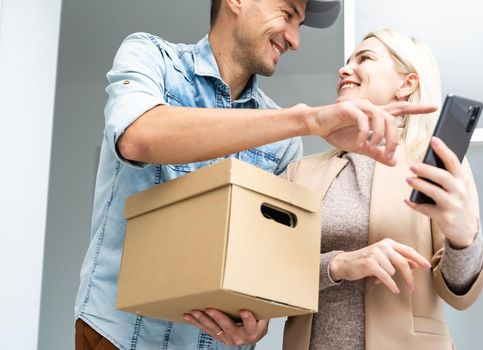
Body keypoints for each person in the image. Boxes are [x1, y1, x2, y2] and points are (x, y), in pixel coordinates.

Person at [74, 0, 437, 348]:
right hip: (120, 338)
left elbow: (266, 266)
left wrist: (258, 316)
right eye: (287, 14)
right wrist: (305, 120)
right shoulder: (151, 57)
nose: (295, 40)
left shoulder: (283, 146)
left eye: (300, 24)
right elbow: (139, 137)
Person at [282, 29, 483, 349]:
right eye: (348, 60)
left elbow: (460, 294)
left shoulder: (436, 165)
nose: (345, 68)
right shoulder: (301, 171)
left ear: (406, 84)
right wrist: (338, 265)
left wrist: (464, 240)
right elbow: (272, 272)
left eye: (364, 58)